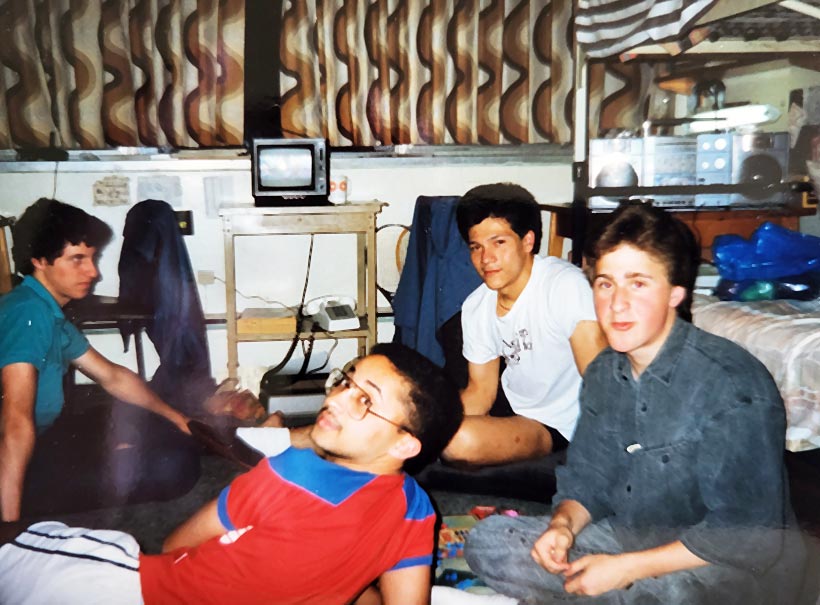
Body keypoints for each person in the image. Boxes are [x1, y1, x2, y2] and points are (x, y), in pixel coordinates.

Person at [463, 203, 806, 604]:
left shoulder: (732, 384)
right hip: (627, 536)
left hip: (720, 565)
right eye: (606, 284)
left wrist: (627, 569)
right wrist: (563, 528)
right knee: (490, 542)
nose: (617, 303)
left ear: (676, 291)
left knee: (669, 595)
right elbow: (587, 481)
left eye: (638, 283)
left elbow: (749, 539)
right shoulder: (604, 373)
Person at [0, 343, 464, 605]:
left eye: (366, 399)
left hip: (130, 587)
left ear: (406, 443)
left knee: (22, 549)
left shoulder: (290, 470)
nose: (337, 398)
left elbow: (177, 542)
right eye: (346, 380)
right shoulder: (416, 511)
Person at [0, 198, 196, 522]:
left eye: (92, 258)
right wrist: (9, 531)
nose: (93, 272)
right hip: (20, 460)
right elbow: (15, 423)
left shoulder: (45, 310)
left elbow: (111, 376)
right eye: (77, 259)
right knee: (172, 465)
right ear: (39, 260)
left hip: (46, 436)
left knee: (153, 425)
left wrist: (175, 417)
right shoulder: (27, 314)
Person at [444, 183, 606, 466]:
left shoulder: (564, 286)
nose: (486, 259)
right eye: (476, 247)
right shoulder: (477, 305)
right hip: (510, 406)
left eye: (499, 242)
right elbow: (481, 393)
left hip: (559, 424)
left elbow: (600, 383)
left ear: (528, 242)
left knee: (460, 443)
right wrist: (425, 424)